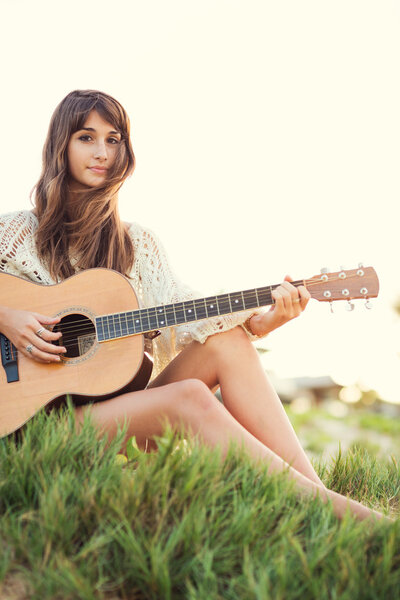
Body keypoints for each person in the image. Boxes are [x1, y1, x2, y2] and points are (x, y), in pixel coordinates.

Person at [0, 90, 386, 523]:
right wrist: (6, 316)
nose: (102, 152)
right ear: (61, 145)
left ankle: (316, 501)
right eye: (87, 138)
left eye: (114, 139)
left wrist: (262, 321)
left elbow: (188, 311)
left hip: (107, 413)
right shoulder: (14, 232)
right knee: (188, 397)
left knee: (227, 340)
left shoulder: (137, 245)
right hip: (31, 428)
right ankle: (345, 518)